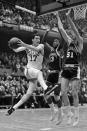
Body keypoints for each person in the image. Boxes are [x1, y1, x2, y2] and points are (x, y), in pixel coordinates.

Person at [6, 33, 48, 115]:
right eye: (36, 38)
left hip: (33, 75)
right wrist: (11, 45)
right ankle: (46, 88)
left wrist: (24, 44)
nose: (38, 40)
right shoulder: (26, 47)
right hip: (29, 70)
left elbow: (36, 49)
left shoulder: (41, 46)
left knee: (28, 94)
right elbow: (16, 50)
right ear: (32, 40)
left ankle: (13, 108)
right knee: (39, 73)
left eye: (39, 39)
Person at [56, 10, 83, 126]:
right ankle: (69, 114)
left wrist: (68, 18)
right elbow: (61, 30)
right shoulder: (69, 42)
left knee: (74, 93)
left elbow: (75, 30)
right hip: (66, 68)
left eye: (75, 35)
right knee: (63, 92)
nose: (73, 35)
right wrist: (57, 16)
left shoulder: (80, 42)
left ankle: (76, 117)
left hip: (75, 69)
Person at [44, 38, 64, 125]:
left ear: (59, 44)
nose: (54, 42)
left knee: (56, 97)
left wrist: (61, 28)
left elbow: (63, 40)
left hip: (57, 75)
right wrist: (46, 31)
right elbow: (44, 41)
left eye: (56, 41)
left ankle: (60, 115)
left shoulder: (59, 50)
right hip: (50, 75)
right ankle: (53, 111)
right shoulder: (51, 50)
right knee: (46, 94)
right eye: (54, 41)